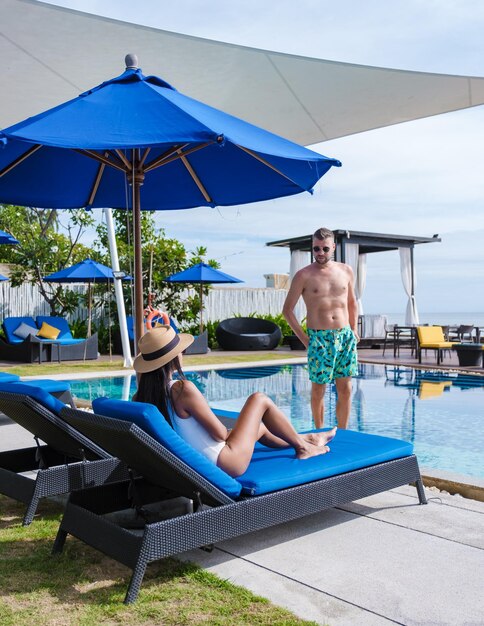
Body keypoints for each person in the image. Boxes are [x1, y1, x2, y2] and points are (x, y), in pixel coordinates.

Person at [133, 325, 337, 478]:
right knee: (259, 399)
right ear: (174, 357)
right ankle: (303, 448)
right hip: (225, 462)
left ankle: (307, 439)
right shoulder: (182, 389)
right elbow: (220, 434)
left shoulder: (140, 398)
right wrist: (234, 431)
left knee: (260, 427)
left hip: (194, 462)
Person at [283, 227, 359, 429]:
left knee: (346, 389)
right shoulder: (303, 275)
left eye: (325, 249)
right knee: (318, 390)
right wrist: (305, 340)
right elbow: (287, 311)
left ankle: (343, 433)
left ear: (333, 247)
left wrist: (354, 329)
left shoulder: (346, 271)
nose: (320, 253)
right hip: (319, 338)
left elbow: (352, 302)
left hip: (344, 336)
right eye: (316, 249)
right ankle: (320, 431)